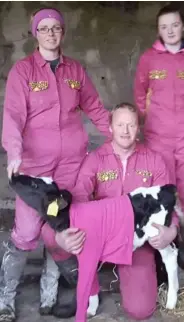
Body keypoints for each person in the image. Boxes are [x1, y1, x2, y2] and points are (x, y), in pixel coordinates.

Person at [0, 7, 110, 321]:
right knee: (26, 233)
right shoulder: (24, 71)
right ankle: (5, 299)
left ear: (62, 32)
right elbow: (13, 116)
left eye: (55, 28)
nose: (50, 33)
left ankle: (49, 296)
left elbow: (95, 108)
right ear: (36, 33)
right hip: (35, 169)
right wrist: (15, 152)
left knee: (61, 226)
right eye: (44, 28)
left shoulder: (74, 70)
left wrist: (120, 134)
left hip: (71, 166)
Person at [54, 103, 179, 320]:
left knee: (140, 310)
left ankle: (145, 274)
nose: (125, 130)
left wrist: (172, 231)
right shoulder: (95, 158)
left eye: (131, 125)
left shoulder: (154, 159)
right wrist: (65, 234)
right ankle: (87, 290)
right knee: (57, 238)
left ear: (138, 128)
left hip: (135, 240)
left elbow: (167, 203)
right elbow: (79, 198)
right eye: (120, 124)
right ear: (110, 127)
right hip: (102, 234)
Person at [134, 4, 184, 272]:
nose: (170, 31)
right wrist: (155, 122)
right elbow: (140, 96)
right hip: (158, 138)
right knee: (162, 192)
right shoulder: (148, 59)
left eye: (174, 25)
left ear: (183, 26)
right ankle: (160, 253)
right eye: (164, 26)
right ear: (158, 30)